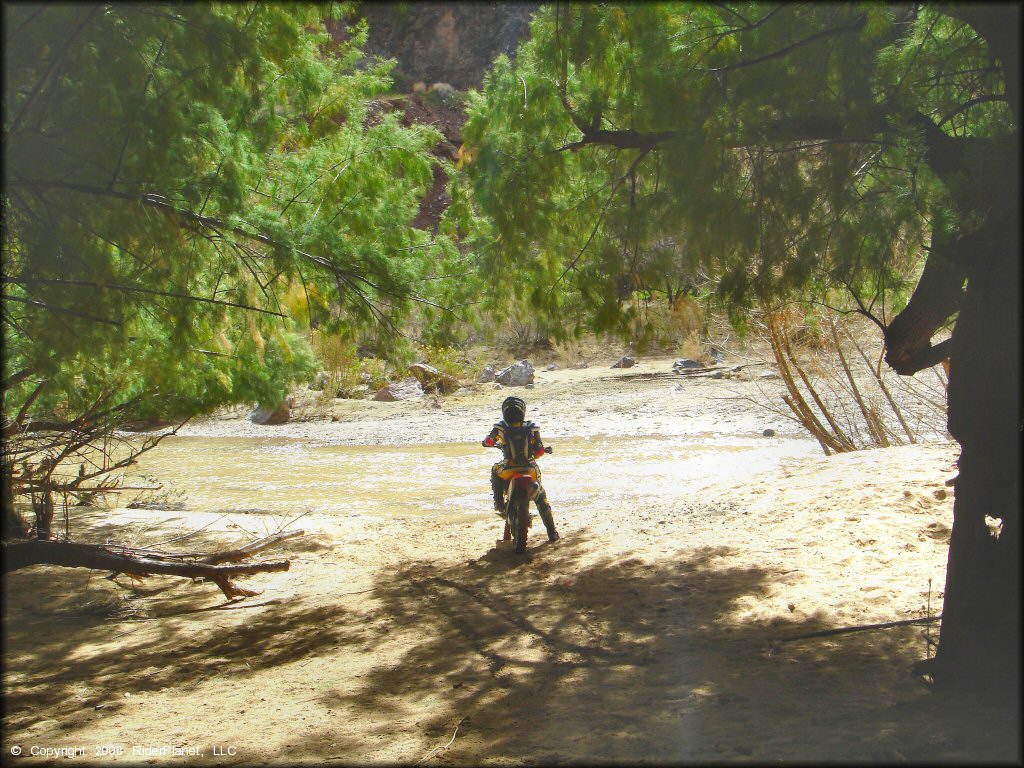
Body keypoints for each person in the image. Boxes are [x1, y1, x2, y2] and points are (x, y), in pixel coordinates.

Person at [482, 395, 559, 542]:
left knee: (494, 469)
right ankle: (552, 533)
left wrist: (488, 442)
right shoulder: (532, 427)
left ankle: (498, 503)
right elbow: (540, 450)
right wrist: (537, 453)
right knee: (541, 497)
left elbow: (489, 441)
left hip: (507, 470)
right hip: (529, 469)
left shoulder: (500, 427)